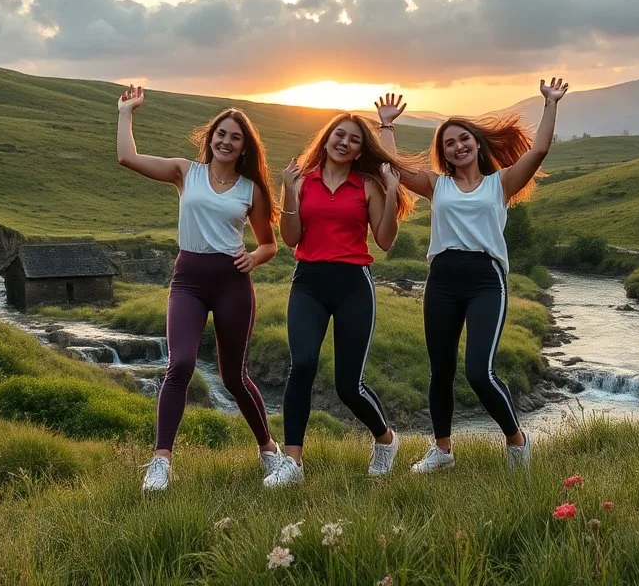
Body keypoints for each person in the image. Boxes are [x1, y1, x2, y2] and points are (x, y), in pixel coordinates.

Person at [374, 77, 568, 472]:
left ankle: (517, 441)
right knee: (440, 369)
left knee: (480, 371)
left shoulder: (501, 183)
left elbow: (541, 149)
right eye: (449, 143)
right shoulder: (436, 185)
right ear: (443, 153)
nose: (458, 146)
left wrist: (551, 103)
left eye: (464, 139)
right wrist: (387, 125)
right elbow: (392, 168)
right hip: (442, 278)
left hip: (485, 279)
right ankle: (442, 450)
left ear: (477, 144)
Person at [115, 85, 282, 491]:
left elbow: (269, 242)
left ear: (244, 147)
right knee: (181, 363)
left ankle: (269, 451)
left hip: (231, 284)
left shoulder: (251, 189)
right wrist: (125, 113)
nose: (226, 141)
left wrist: (255, 258)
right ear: (211, 138)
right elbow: (127, 158)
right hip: (188, 279)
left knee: (233, 377)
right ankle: (160, 462)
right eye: (221, 134)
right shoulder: (184, 172)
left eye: (235, 137)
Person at [262, 113, 415, 487]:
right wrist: (289, 192)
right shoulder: (302, 179)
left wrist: (392, 191)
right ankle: (293, 464)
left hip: (353, 286)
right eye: (339, 135)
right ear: (326, 138)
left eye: (355, 140)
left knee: (349, 385)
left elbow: (385, 240)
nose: (345, 142)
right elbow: (291, 238)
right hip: (308, 283)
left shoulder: (366, 185)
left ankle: (386, 440)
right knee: (303, 366)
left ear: (361, 149)